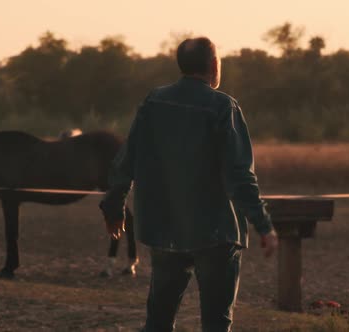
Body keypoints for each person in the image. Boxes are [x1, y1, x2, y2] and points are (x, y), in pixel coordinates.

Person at [99, 37, 278, 332]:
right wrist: (263, 225)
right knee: (216, 324)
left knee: (158, 321)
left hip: (165, 230)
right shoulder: (223, 107)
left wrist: (113, 207)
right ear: (214, 65)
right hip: (216, 233)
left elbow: (125, 159)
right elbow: (240, 176)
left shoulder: (154, 102)